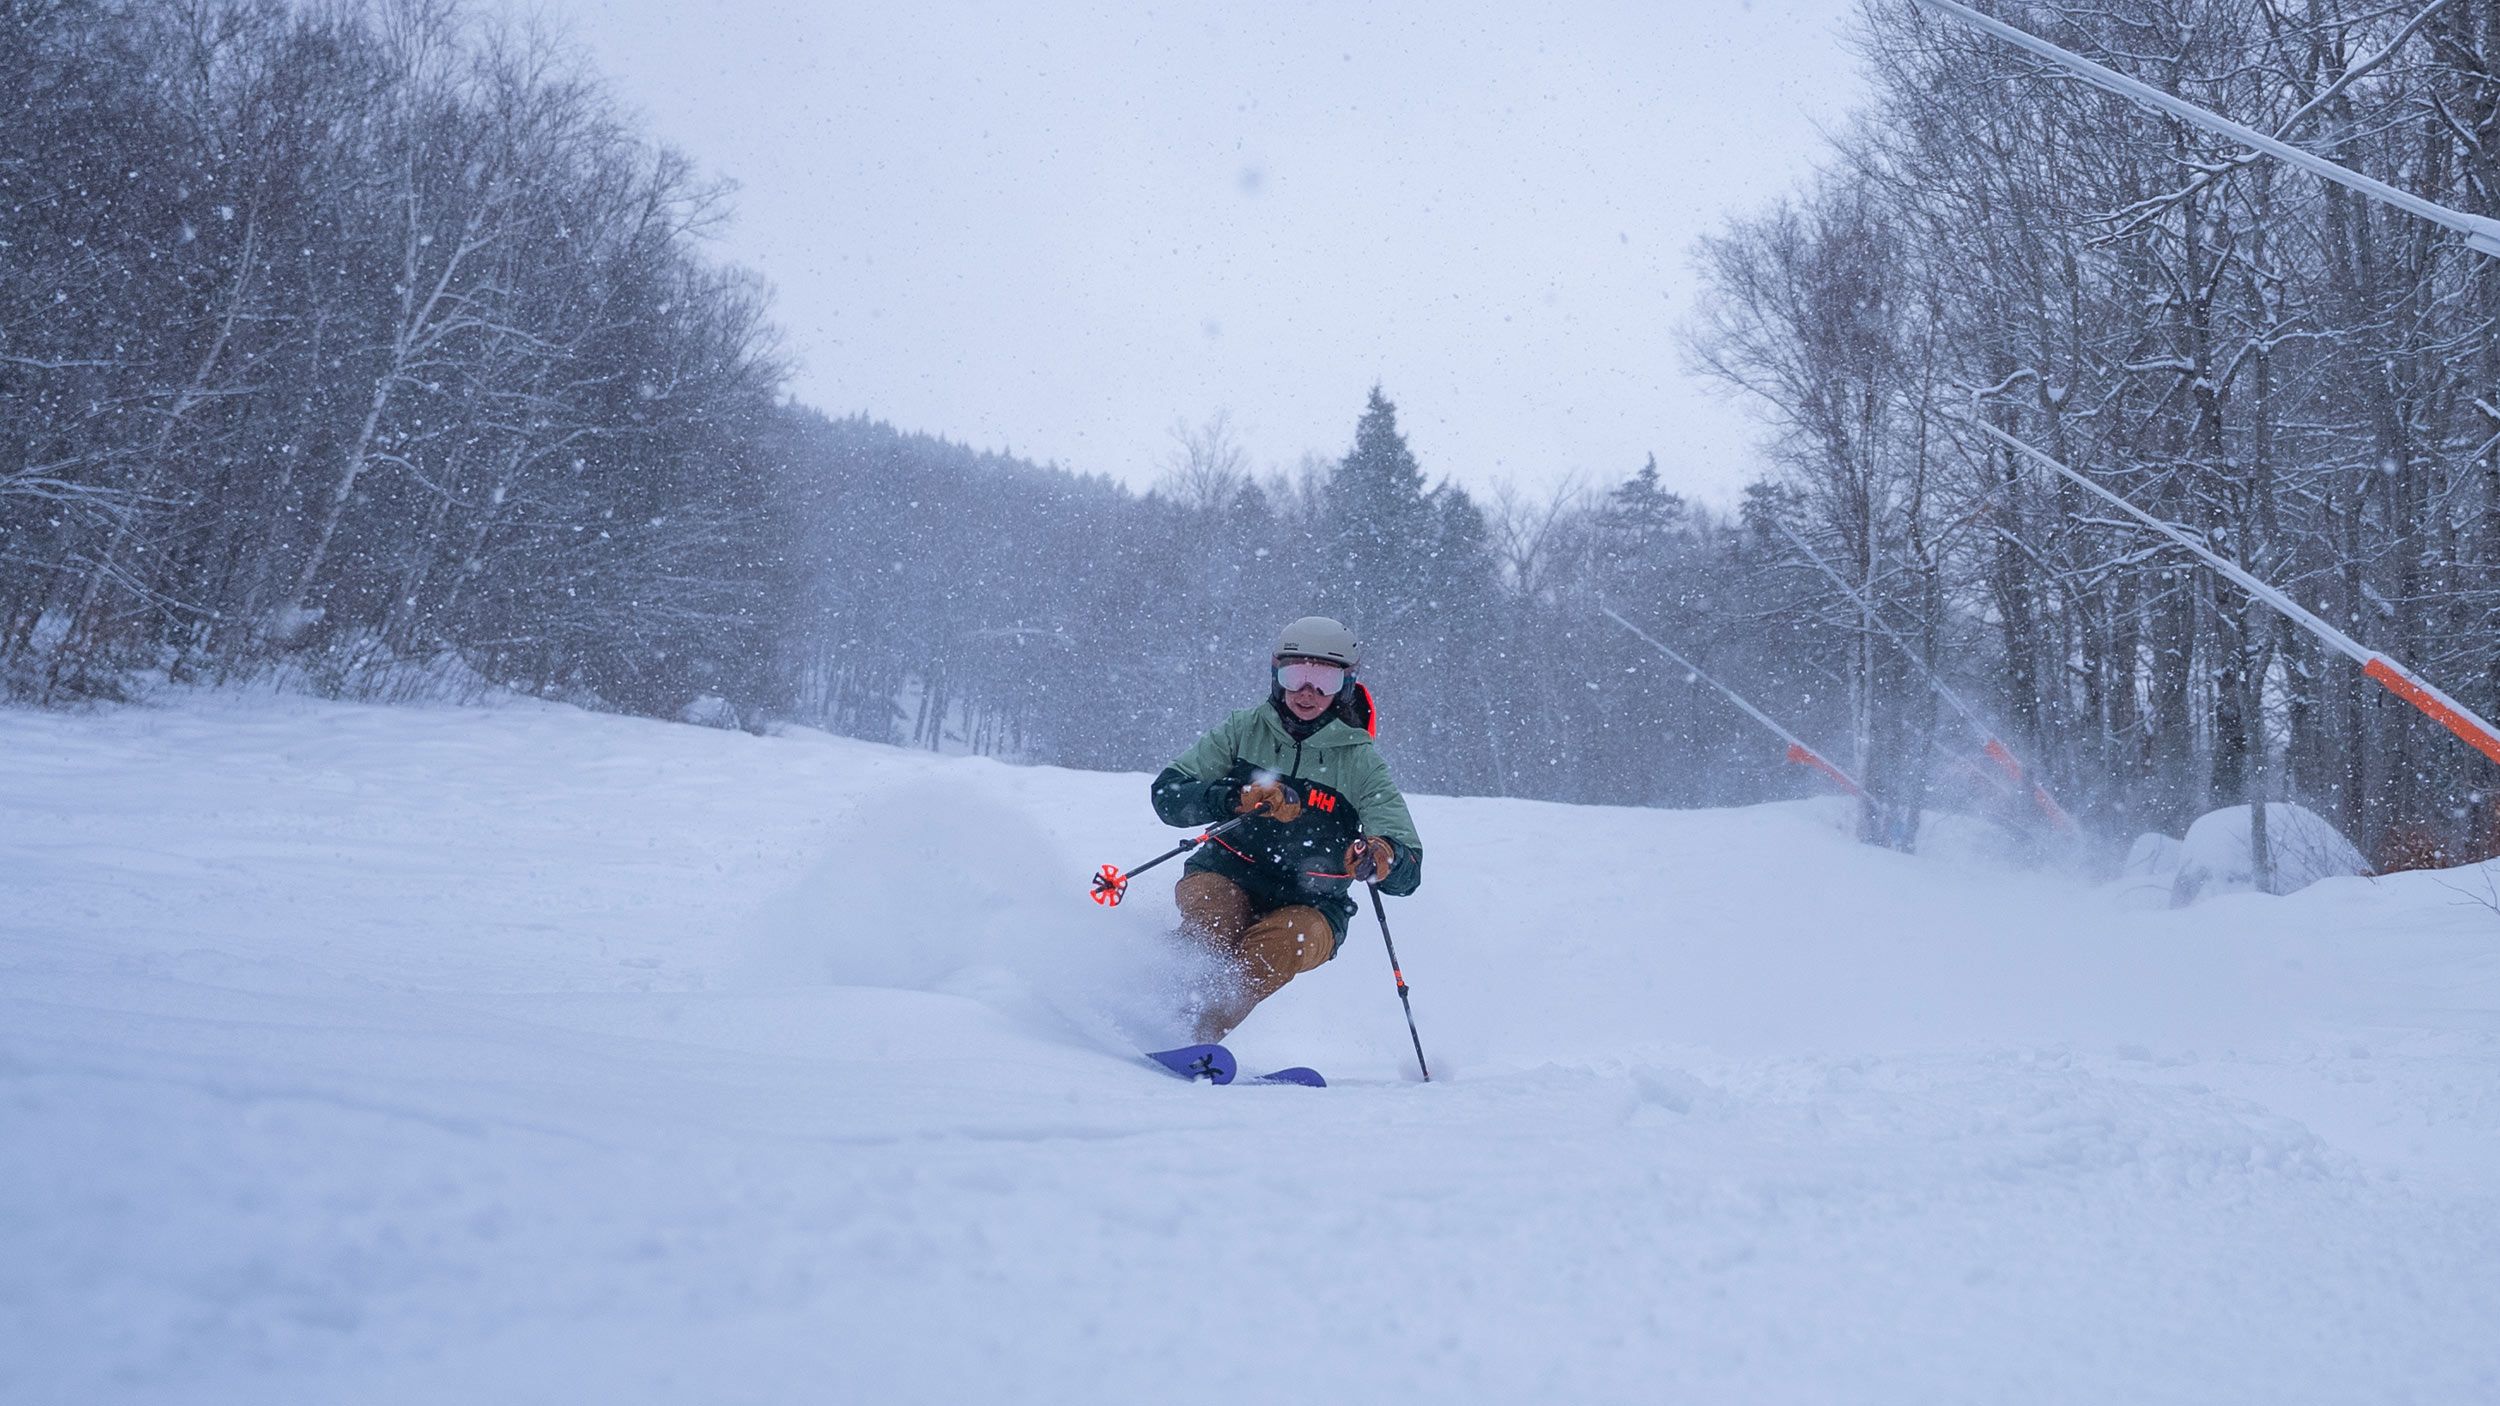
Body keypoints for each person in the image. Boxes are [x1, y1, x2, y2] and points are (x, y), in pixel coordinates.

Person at [1149, 615, 1423, 1041]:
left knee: (1277, 946)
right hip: (1225, 871)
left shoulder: (1359, 759)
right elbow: (1168, 794)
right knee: (1213, 918)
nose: (1308, 692)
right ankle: (1151, 1011)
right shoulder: (1244, 730)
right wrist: (1234, 797)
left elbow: (1407, 862)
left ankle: (1192, 1036)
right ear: (1277, 673)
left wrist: (1381, 857)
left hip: (1313, 904)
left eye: (1324, 680)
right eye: (1297, 675)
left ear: (1346, 684)